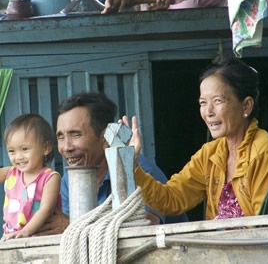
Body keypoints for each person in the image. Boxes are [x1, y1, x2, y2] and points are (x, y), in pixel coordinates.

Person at [127, 59, 268, 220]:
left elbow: (266, 224)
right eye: (203, 103)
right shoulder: (210, 154)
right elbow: (171, 199)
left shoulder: (266, 150)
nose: (208, 111)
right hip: (218, 244)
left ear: (246, 106)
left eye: (218, 101)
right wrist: (132, 164)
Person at [34, 93, 185, 235]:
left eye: (76, 134)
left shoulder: (138, 170)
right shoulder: (68, 181)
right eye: (61, 137)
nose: (66, 147)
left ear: (105, 138)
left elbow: (145, 224)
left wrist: (73, 224)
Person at [0, 114, 60, 241]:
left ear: (46, 148)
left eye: (25, 149)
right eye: (12, 151)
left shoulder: (50, 178)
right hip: (11, 237)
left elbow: (46, 210)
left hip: (41, 239)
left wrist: (25, 232)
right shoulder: (11, 173)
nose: (18, 157)